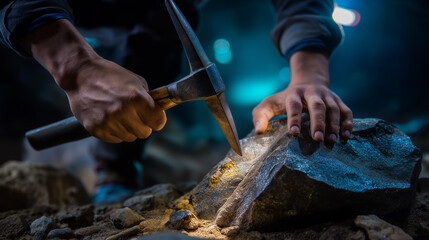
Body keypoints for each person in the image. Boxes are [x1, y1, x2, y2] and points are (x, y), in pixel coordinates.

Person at [0, 0, 352, 203]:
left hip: (153, 14)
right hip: (67, 10)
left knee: (167, 13)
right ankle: (114, 169)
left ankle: (118, 166)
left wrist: (309, 75)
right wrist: (75, 68)